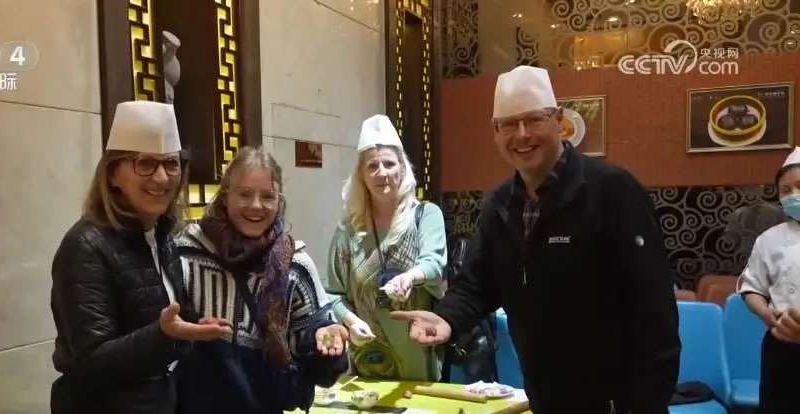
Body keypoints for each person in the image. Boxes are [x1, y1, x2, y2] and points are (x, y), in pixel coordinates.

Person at [390, 66, 681, 414]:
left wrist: (647, 403)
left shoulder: (612, 191)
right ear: (495, 132)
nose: (522, 135)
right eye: (509, 124)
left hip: (617, 403)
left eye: (534, 120)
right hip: (545, 397)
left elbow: (654, 312)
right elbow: (477, 284)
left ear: (559, 120)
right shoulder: (500, 204)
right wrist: (446, 320)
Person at [49, 101, 232, 413]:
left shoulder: (162, 236)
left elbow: (157, 312)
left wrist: (194, 323)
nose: (162, 178)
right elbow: (92, 361)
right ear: (112, 174)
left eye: (171, 164)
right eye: (145, 163)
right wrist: (162, 334)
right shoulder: (85, 247)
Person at [173, 145, 349, 414]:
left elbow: (319, 361)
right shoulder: (186, 251)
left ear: (279, 201)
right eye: (244, 194)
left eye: (267, 196)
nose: (256, 205)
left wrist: (324, 340)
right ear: (225, 197)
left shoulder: (295, 264)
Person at [324, 114, 447, 381]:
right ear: (361, 175)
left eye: (389, 164)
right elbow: (332, 294)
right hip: (366, 359)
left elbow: (434, 264)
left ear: (402, 168)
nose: (382, 172)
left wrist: (409, 277)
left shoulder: (425, 216)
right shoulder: (347, 232)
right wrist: (351, 322)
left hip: (418, 352)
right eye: (372, 166)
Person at [737, 146, 800, 413]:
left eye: (799, 186)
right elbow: (751, 287)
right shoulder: (769, 239)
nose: (793, 195)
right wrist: (765, 313)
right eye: (785, 190)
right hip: (780, 345)